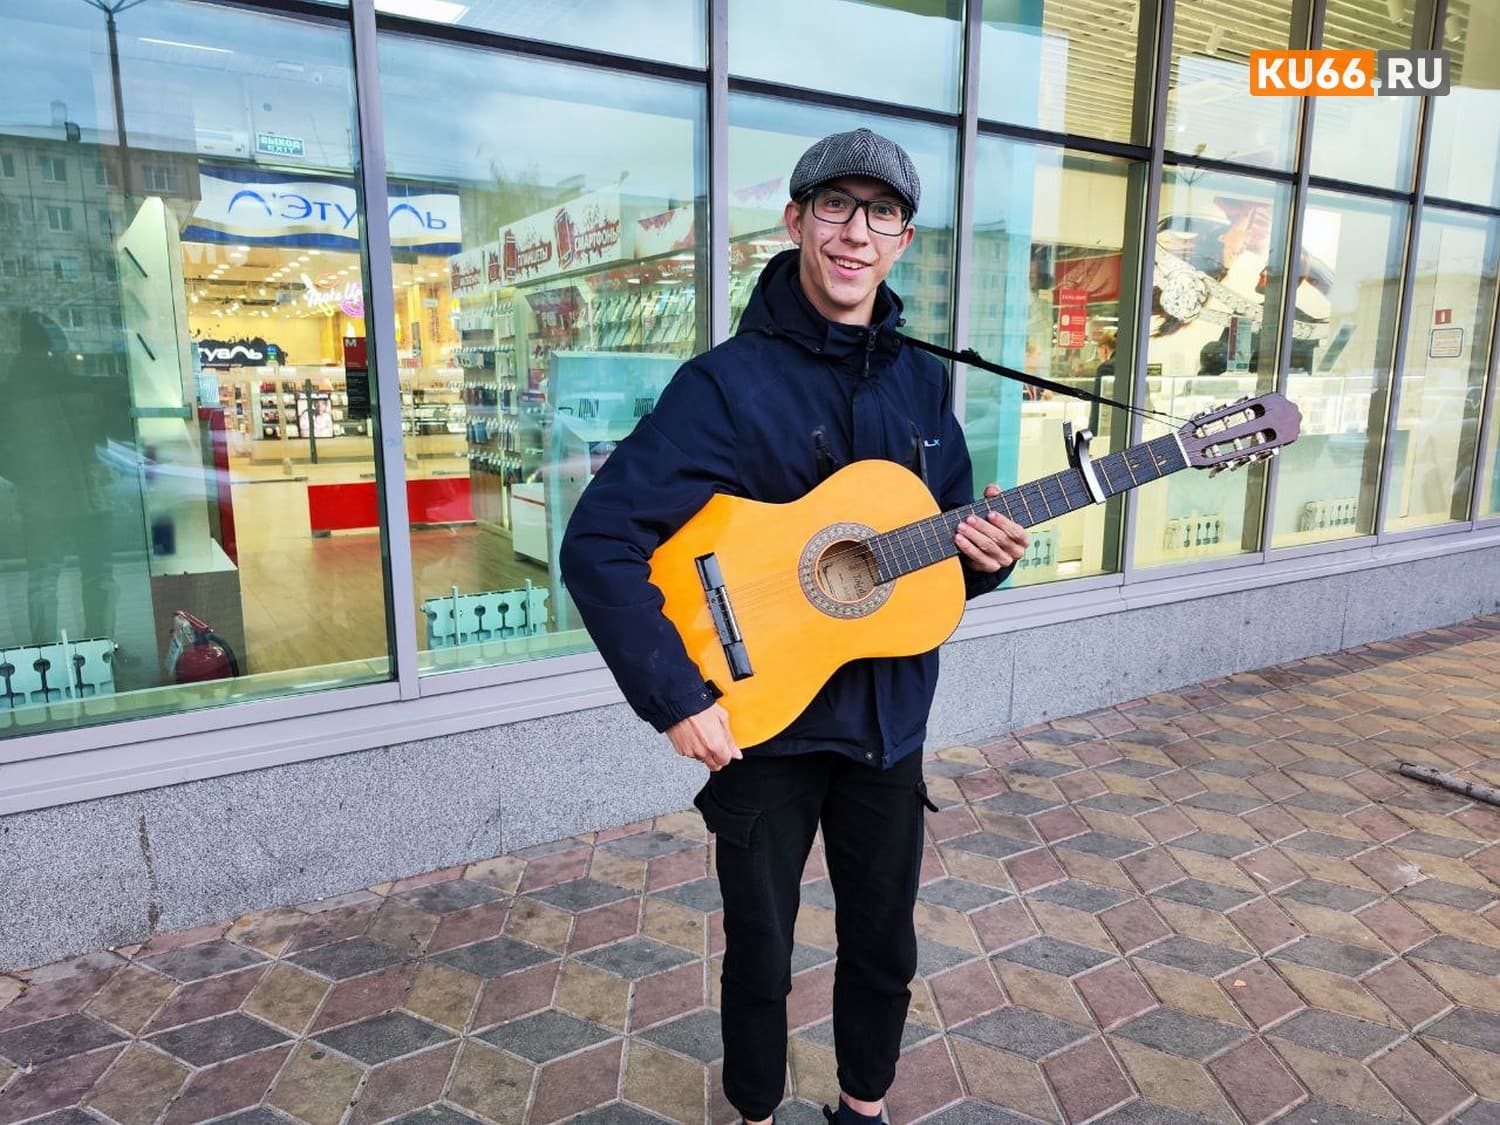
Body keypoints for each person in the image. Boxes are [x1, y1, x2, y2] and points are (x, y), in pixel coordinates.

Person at [558, 128, 1029, 1125]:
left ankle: (863, 1110)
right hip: (762, 721)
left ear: (904, 239)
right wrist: (676, 697)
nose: (857, 234)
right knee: (760, 955)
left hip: (885, 727)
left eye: (882, 214)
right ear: (797, 223)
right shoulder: (725, 384)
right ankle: (757, 1114)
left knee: (884, 946)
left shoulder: (921, 381)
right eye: (836, 208)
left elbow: (922, 572)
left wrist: (979, 566)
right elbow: (599, 542)